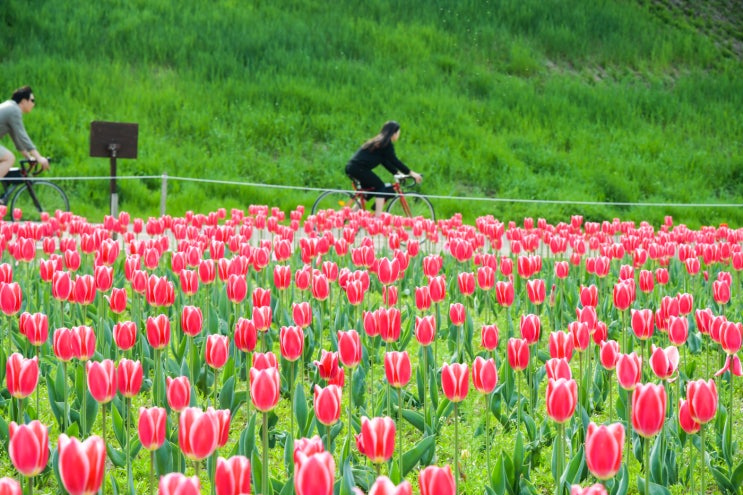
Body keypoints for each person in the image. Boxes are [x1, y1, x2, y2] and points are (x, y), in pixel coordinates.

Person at [345, 120, 422, 216]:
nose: (398, 135)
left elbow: (385, 161)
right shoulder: (386, 144)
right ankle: (378, 219)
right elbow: (394, 161)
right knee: (380, 187)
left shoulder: (380, 142)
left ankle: (347, 217)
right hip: (359, 169)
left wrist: (396, 173)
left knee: (368, 193)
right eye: (398, 133)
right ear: (393, 133)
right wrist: (412, 173)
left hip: (353, 167)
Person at [0, 86, 49, 178]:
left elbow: (17, 138)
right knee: (9, 158)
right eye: (32, 100)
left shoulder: (10, 107)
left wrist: (28, 157)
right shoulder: (14, 110)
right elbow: (23, 136)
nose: (33, 104)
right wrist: (39, 157)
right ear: (23, 101)